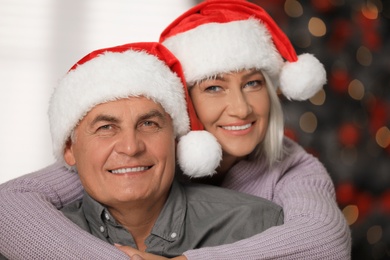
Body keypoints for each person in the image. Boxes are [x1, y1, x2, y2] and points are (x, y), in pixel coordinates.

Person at [0, 0, 351, 259]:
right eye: (213, 87)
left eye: (253, 83)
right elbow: (9, 204)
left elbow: (326, 240)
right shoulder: (142, 152)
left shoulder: (292, 168)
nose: (241, 107)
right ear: (183, 99)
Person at [0, 42, 284, 259]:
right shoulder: (24, 241)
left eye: (148, 124)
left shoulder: (259, 226)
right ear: (69, 149)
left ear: (176, 139)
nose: (131, 147)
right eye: (106, 128)